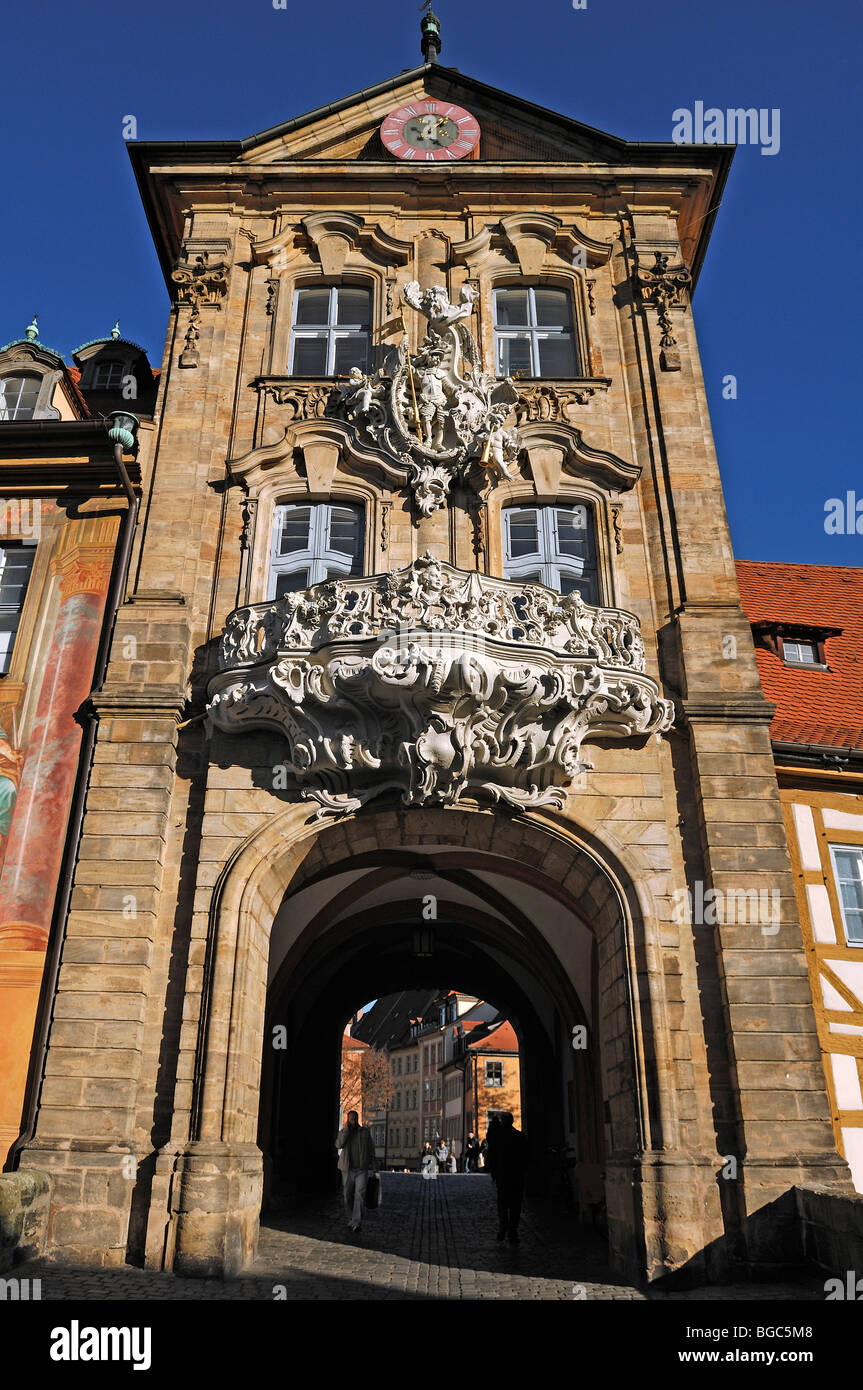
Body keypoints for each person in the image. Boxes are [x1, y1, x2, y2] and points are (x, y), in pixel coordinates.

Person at [485, 1112, 527, 1243]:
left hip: (502, 1176)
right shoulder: (519, 1136)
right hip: (516, 1176)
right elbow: (526, 1157)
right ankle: (513, 1231)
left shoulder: (497, 1137)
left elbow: (491, 1154)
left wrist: (493, 1172)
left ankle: (503, 1227)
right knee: (515, 1205)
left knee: (503, 1204)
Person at [336, 1110, 376, 1233]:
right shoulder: (344, 1132)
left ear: (358, 1119)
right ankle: (350, 1218)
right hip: (347, 1169)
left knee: (360, 1194)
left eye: (354, 1118)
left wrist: (375, 1167)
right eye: (351, 1119)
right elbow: (338, 1145)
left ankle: (356, 1221)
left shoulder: (364, 1132)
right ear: (348, 1120)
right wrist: (346, 1131)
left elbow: (371, 1149)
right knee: (347, 1195)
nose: (353, 1121)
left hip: (361, 1169)